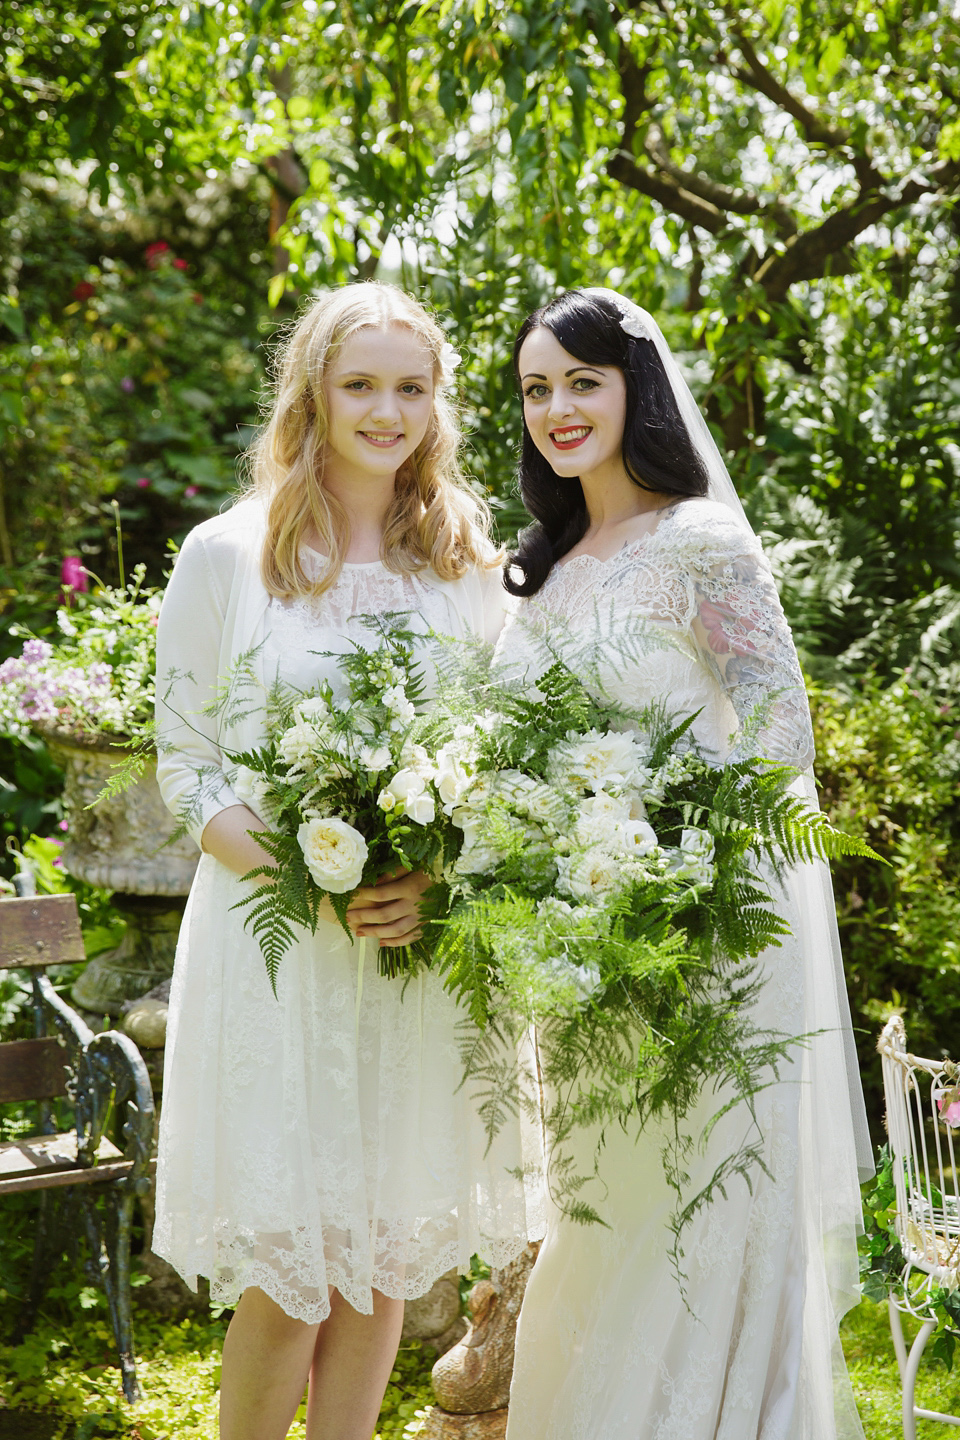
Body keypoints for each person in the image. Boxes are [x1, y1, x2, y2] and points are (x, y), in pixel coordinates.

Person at [153, 282, 539, 1440]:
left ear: (439, 402)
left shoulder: (467, 557)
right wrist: (306, 882)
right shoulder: (228, 555)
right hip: (279, 961)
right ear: (312, 392)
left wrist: (431, 879)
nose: (386, 411)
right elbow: (190, 765)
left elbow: (505, 754)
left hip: (411, 954)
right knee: (290, 1274)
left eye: (409, 388)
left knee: (376, 1271)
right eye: (360, 385)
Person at [497, 288, 873, 1440]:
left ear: (634, 388)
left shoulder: (700, 539)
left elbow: (779, 725)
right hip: (580, 950)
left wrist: (679, 858)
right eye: (534, 389)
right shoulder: (547, 567)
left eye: (580, 381)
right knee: (603, 1220)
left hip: (699, 936)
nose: (557, 408)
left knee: (705, 1212)